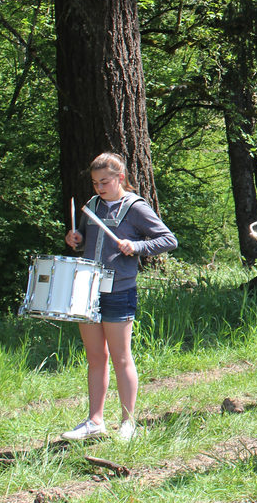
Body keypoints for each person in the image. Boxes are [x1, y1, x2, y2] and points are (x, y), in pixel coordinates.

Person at [62, 152, 178, 441]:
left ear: (120, 178)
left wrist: (136, 246)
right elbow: (89, 243)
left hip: (119, 289)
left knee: (120, 357)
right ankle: (94, 421)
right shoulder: (92, 205)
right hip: (88, 290)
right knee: (95, 356)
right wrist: (75, 239)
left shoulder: (135, 207)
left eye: (104, 182)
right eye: (94, 182)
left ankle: (128, 423)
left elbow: (168, 239)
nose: (99, 188)